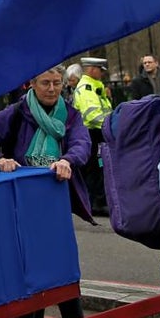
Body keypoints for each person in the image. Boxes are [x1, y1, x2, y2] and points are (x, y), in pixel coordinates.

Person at [0, 66, 121, 318]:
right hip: (19, 209)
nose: (52, 88)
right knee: (30, 276)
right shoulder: (14, 114)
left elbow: (82, 143)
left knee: (61, 273)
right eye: (45, 83)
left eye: (56, 83)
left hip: (54, 207)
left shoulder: (71, 114)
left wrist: (67, 160)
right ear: (32, 84)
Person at [72, 57, 113, 216]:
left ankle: (97, 201)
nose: (102, 73)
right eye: (100, 70)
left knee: (99, 167)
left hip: (96, 134)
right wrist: (111, 126)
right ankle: (95, 202)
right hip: (92, 134)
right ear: (91, 69)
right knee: (95, 169)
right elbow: (92, 115)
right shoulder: (87, 88)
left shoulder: (95, 87)